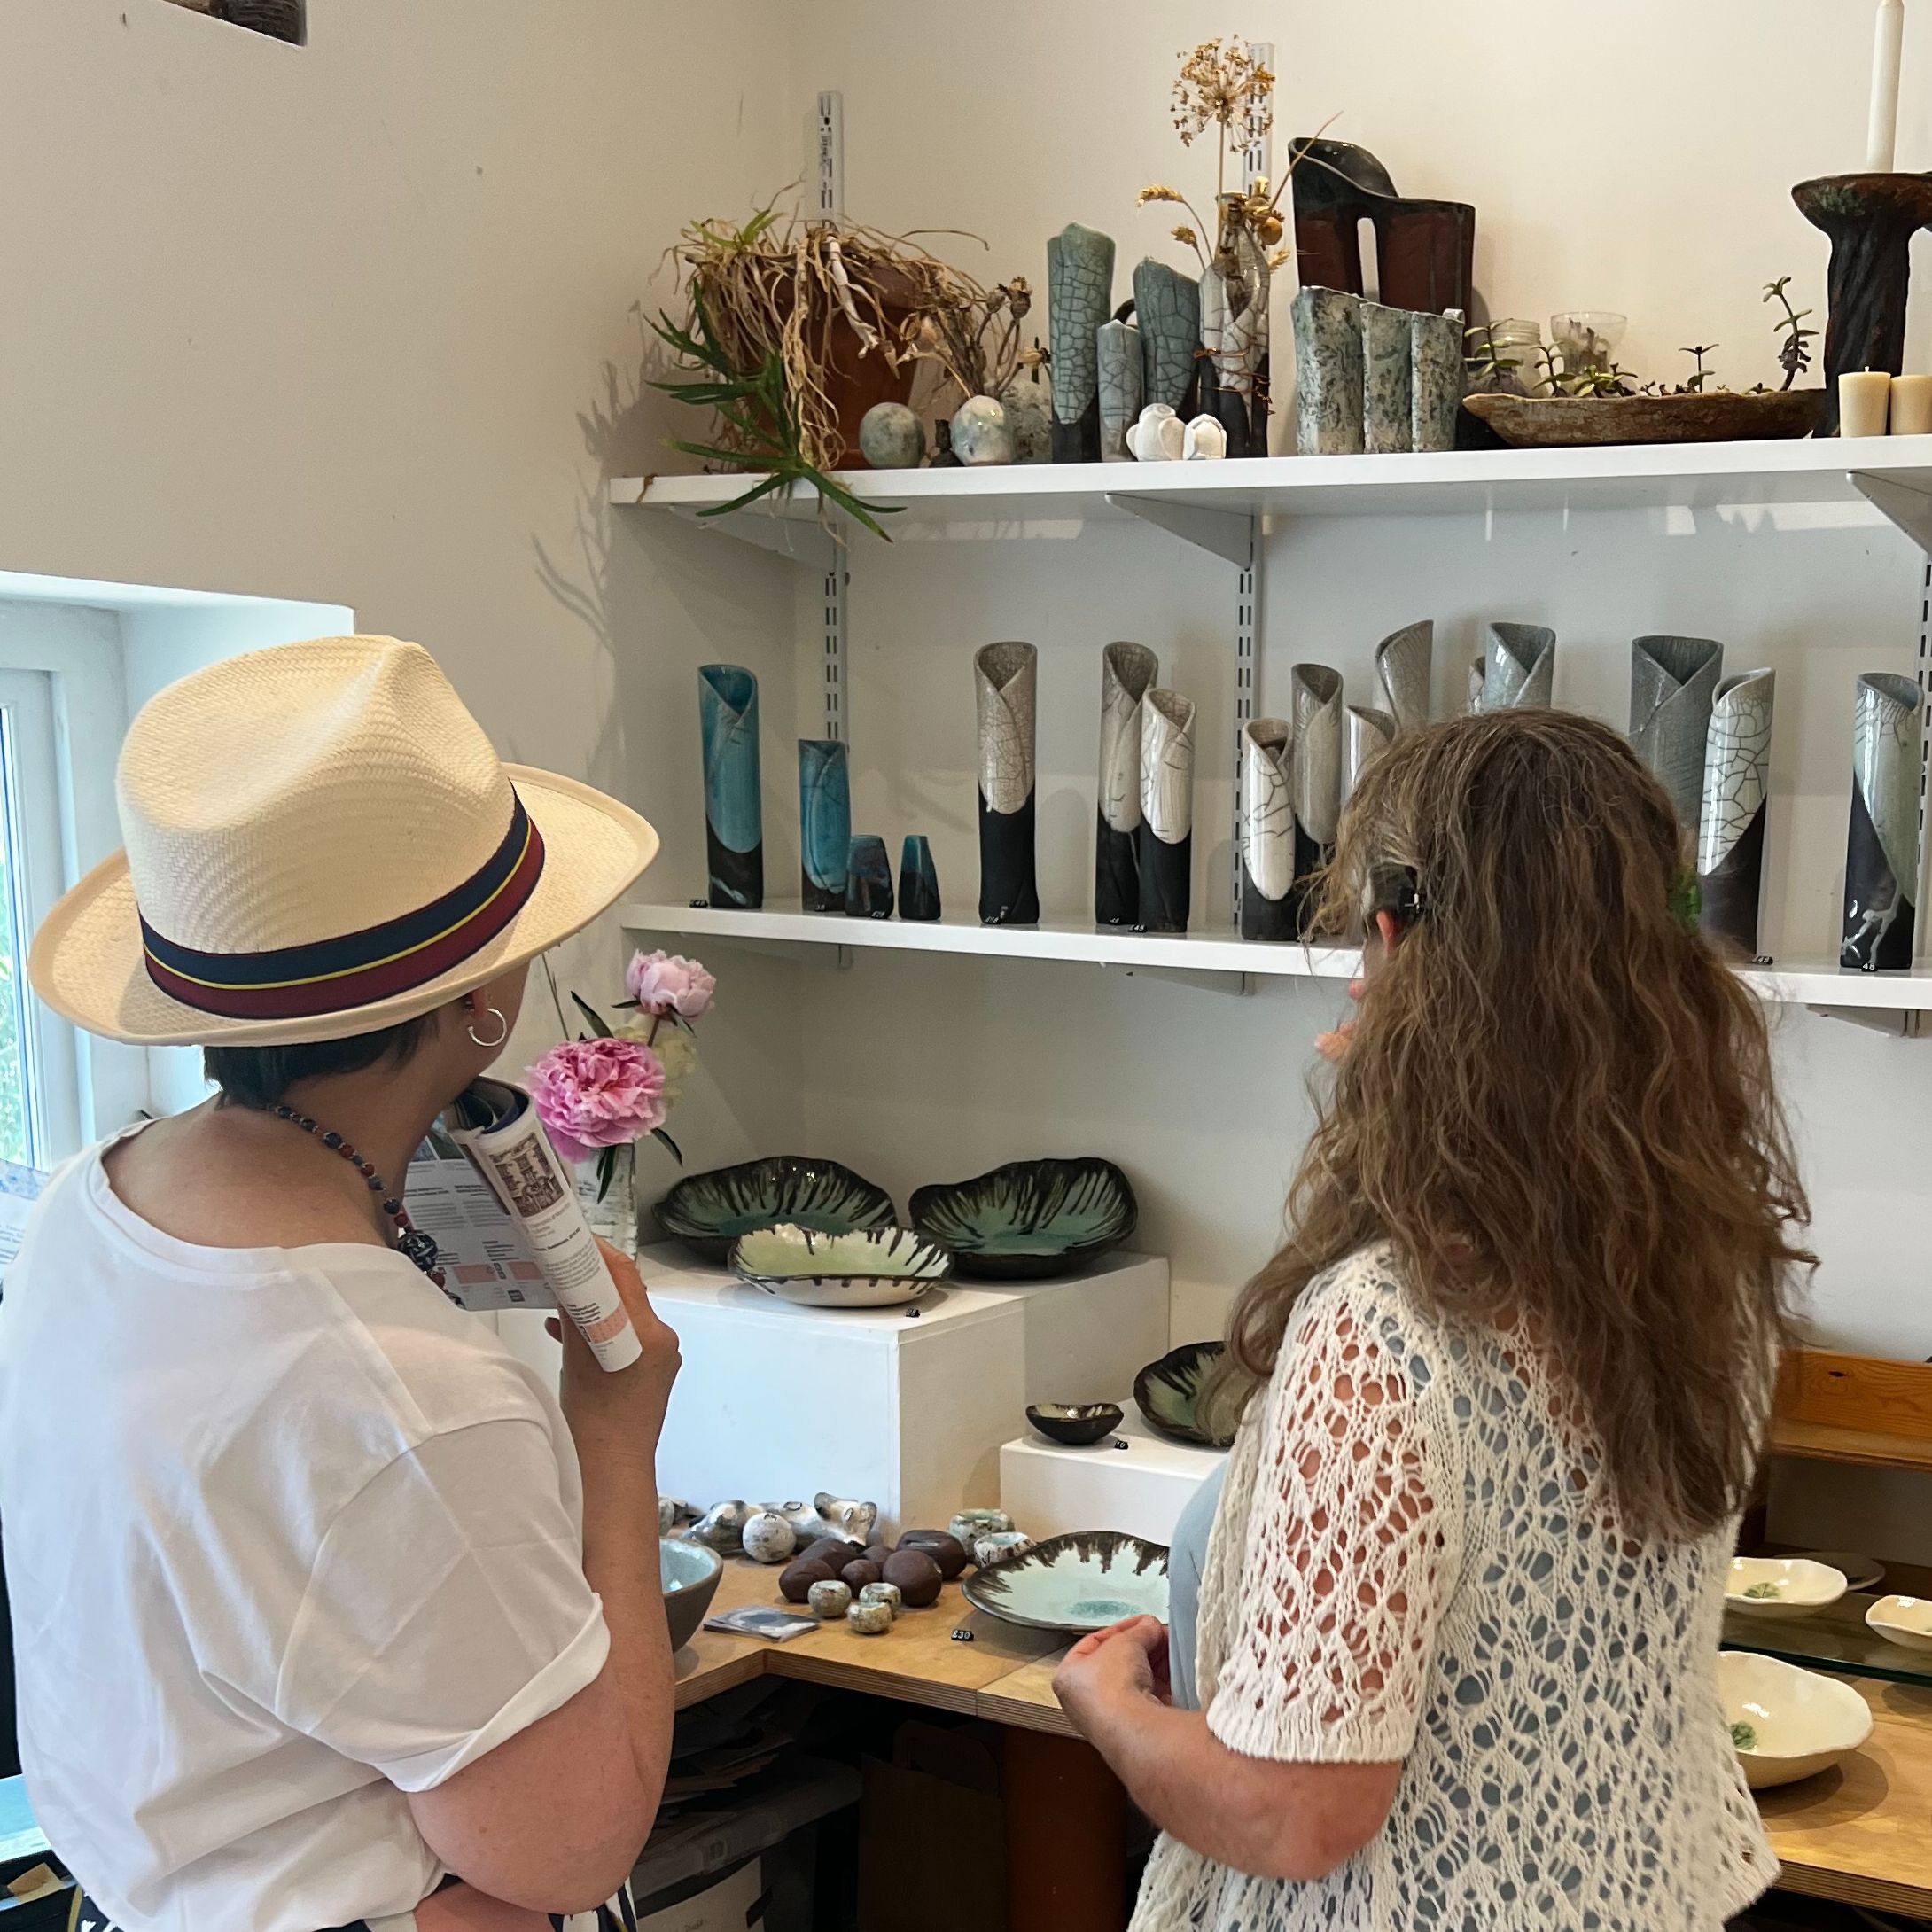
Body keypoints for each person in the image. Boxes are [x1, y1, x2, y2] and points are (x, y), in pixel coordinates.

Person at [1056, 709, 1813, 1930]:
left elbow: (1298, 1811)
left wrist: (1113, 1709)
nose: (1358, 968)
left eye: (1372, 933)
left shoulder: (1389, 1333)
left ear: (1409, 951)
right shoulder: (1705, 1286)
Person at [0, 636, 680, 1932]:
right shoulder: (399, 1396)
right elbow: (570, 1845)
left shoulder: (88, 1210)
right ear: (480, 1001)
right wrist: (616, 1437)